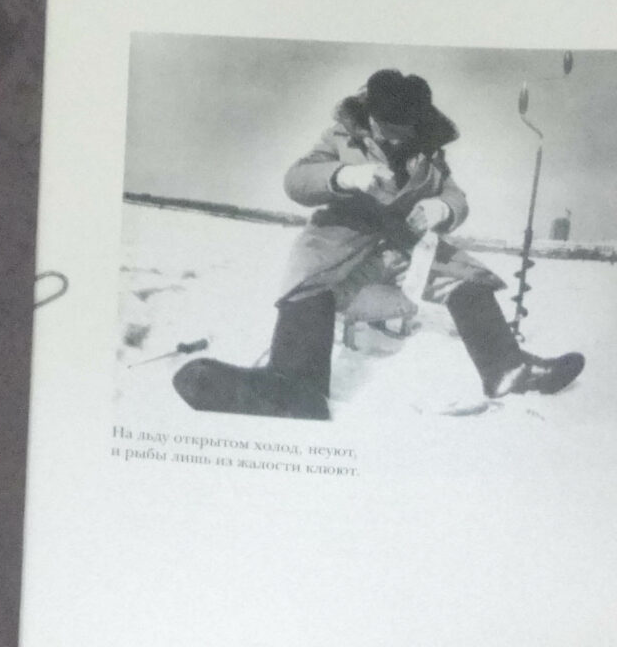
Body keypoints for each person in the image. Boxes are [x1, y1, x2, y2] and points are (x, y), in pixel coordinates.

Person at [174, 70, 584, 421]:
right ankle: (296, 389)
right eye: (384, 126)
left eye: (402, 130)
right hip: (342, 249)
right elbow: (296, 180)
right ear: (370, 114)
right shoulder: (340, 138)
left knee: (467, 278)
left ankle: (508, 371)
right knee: (308, 279)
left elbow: (456, 196)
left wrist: (442, 208)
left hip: (405, 250)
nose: (392, 137)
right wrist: (343, 176)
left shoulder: (429, 154)